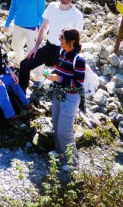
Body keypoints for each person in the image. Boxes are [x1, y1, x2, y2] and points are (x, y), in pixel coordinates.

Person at [18, 0, 84, 92]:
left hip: (63, 53)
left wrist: (72, 58)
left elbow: (78, 40)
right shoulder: (52, 6)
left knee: (60, 80)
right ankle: (21, 97)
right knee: (24, 64)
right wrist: (35, 47)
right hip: (49, 47)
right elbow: (44, 28)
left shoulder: (77, 15)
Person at [45, 28, 85, 166]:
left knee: (65, 129)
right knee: (56, 124)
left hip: (70, 97)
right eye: (60, 36)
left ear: (72, 41)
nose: (60, 40)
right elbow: (57, 68)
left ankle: (72, 161)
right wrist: (51, 73)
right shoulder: (62, 52)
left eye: (63, 37)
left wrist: (59, 78)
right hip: (58, 93)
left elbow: (78, 83)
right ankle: (59, 151)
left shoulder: (78, 60)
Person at [4, 0, 46, 68]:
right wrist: (7, 23)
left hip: (32, 27)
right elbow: (13, 8)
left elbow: (42, 11)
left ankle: (38, 76)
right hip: (18, 25)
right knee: (16, 45)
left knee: (33, 51)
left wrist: (43, 28)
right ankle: (19, 64)